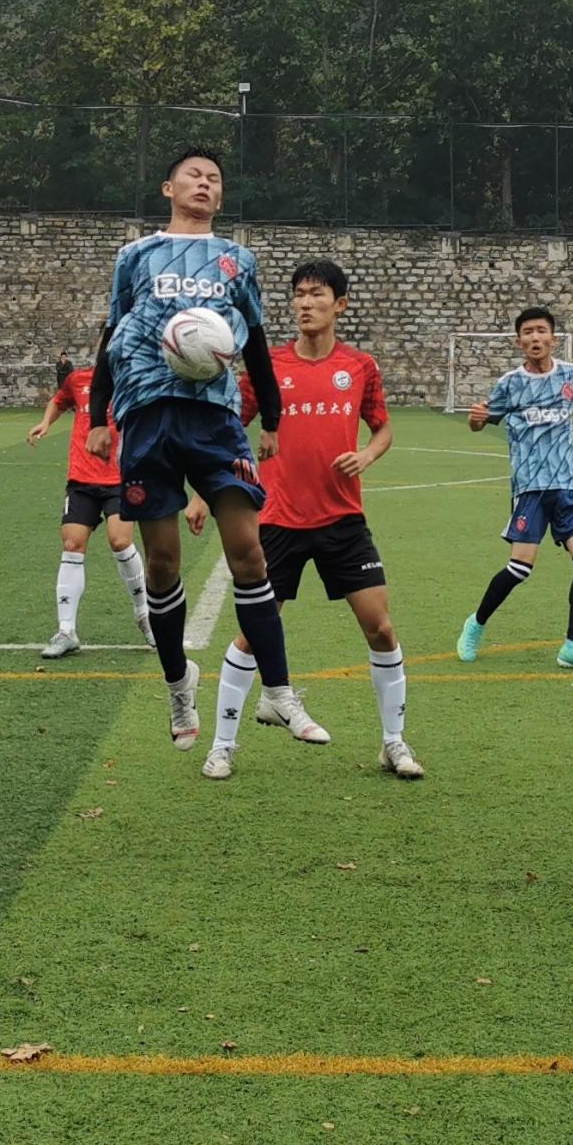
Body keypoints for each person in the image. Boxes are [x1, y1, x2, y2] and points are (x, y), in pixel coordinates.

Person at [85, 148, 289, 756]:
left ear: (221, 196)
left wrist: (271, 416)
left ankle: (279, 689)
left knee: (248, 550)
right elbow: (111, 335)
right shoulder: (136, 256)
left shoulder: (237, 259)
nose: (205, 184)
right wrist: (96, 417)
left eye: (215, 179)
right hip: (147, 415)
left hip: (215, 416)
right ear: (168, 188)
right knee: (162, 562)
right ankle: (179, 683)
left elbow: (256, 342)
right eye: (194, 176)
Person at [198, 259, 422, 781]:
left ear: (339, 304)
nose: (304, 303)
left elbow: (382, 428)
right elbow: (229, 426)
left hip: (343, 520)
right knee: (252, 635)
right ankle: (222, 746)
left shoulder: (360, 366)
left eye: (316, 294)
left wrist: (366, 455)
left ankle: (393, 742)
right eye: (298, 294)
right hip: (278, 520)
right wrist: (206, 491)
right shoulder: (269, 366)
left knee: (381, 628)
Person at [456, 307, 573, 675]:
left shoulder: (571, 374)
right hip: (531, 489)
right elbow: (481, 421)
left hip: (568, 486)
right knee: (520, 568)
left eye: (541, 331)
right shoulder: (510, 384)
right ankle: (476, 623)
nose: (535, 337)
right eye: (527, 332)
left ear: (553, 338)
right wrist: (475, 421)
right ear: (518, 341)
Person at [27, 353, 153, 655]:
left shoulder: (134, 380)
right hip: (81, 478)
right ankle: (66, 631)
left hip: (120, 478)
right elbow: (58, 401)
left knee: (120, 541)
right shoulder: (79, 379)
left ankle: (145, 616)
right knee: (72, 544)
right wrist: (45, 422)